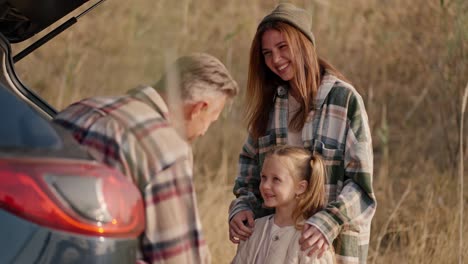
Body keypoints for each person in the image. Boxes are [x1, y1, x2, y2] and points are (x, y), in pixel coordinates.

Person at [54, 53, 239, 264]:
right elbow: (179, 256)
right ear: (199, 109)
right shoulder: (166, 149)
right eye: (211, 120)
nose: (203, 132)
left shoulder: (78, 109)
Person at [228, 3, 376, 264]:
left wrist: (328, 221)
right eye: (267, 53)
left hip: (329, 249)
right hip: (272, 249)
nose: (275, 59)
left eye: (283, 47)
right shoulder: (269, 105)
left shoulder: (344, 100)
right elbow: (249, 175)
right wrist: (241, 208)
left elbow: (361, 187)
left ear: (305, 44)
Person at [231, 145, 335, 264]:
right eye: (264, 177)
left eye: (276, 179)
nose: (265, 185)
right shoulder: (254, 228)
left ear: (300, 187)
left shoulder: (311, 241)